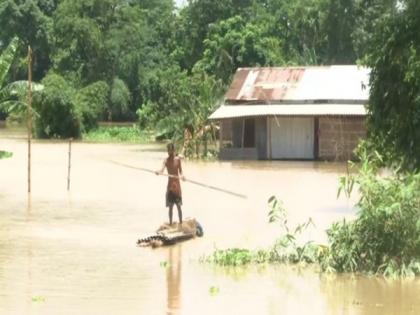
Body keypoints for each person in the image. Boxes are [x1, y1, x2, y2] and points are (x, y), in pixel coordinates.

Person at [156, 143, 185, 226]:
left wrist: (182, 176)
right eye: (168, 150)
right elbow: (161, 170)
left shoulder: (178, 159)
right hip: (170, 187)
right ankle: (171, 224)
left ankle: (181, 223)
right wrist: (158, 172)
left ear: (173, 150)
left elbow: (181, 171)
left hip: (177, 187)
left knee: (179, 207)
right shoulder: (166, 161)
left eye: (171, 150)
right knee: (171, 207)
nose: (169, 152)